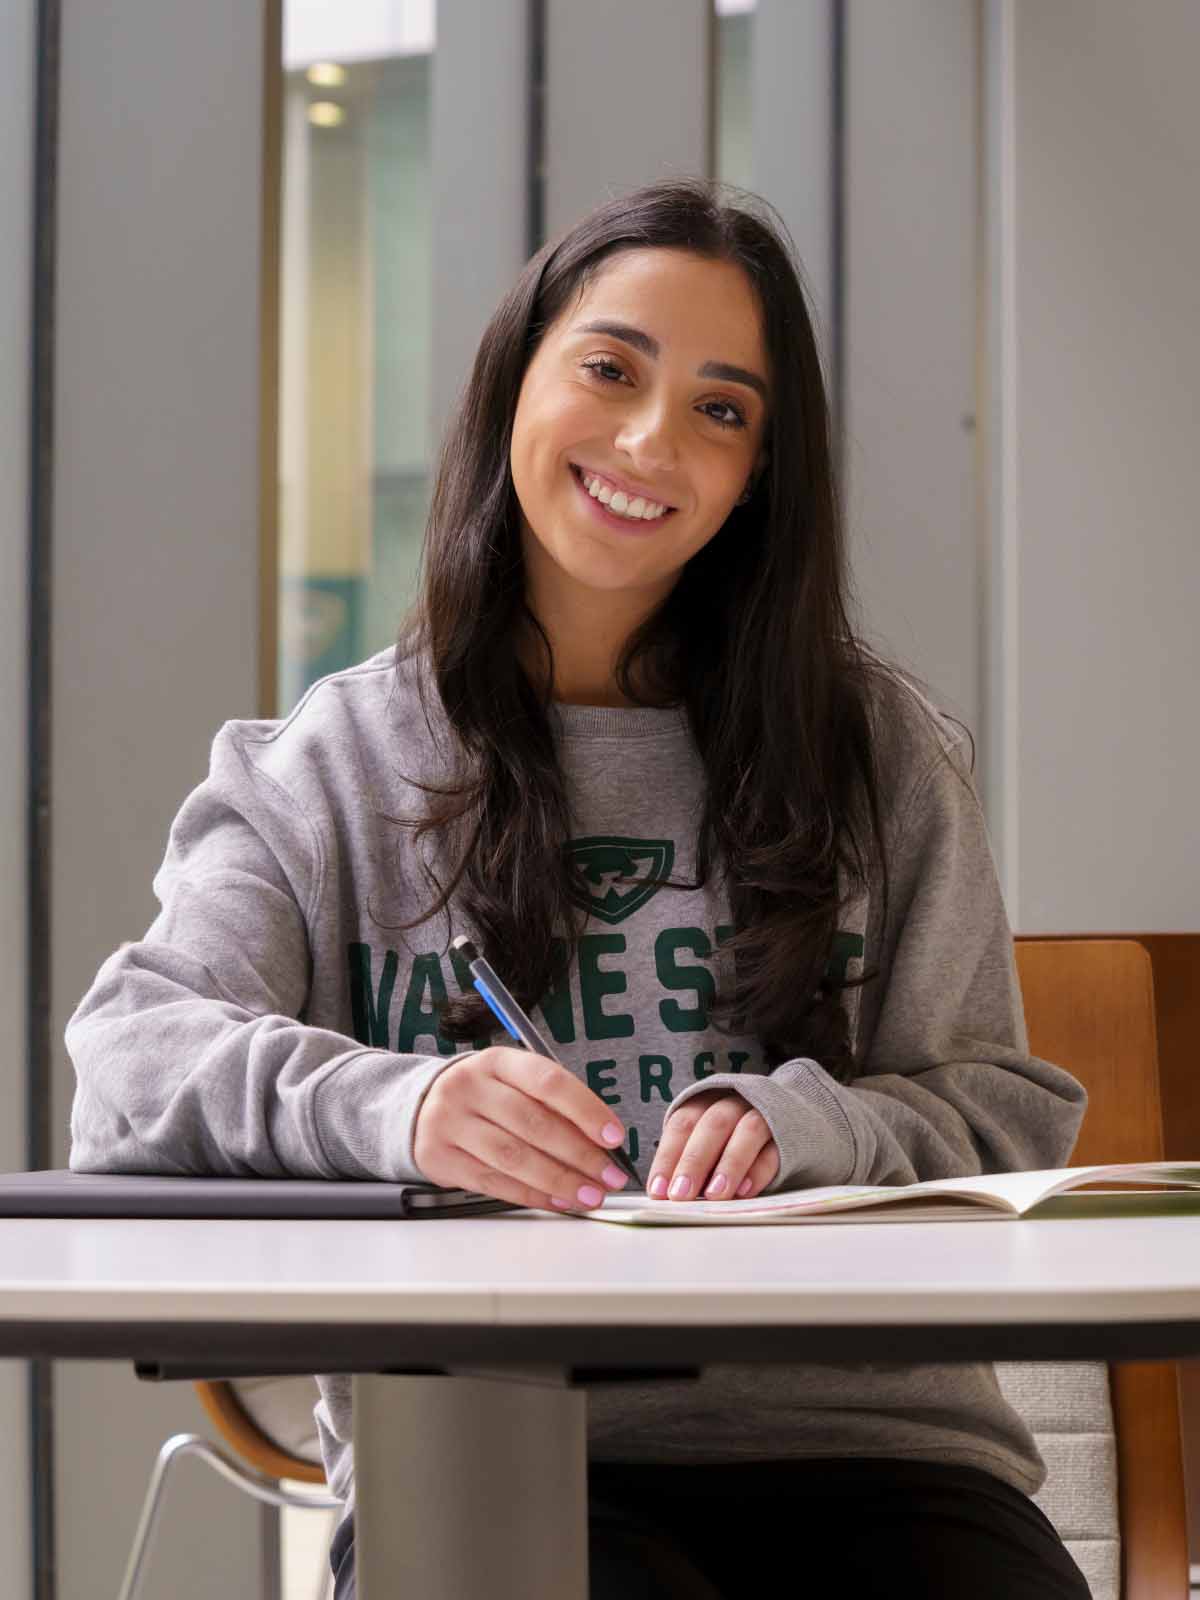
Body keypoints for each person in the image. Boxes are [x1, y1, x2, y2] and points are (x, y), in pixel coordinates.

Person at [65, 178, 1093, 1598]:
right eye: (610, 369)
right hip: (492, 1449)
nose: (650, 440)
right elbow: (124, 1071)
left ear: (759, 478)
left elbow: (1005, 1121)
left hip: (881, 1459)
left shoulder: (879, 756)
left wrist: (805, 1126)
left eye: (722, 411)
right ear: (512, 387)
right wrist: (406, 1106)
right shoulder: (332, 766)